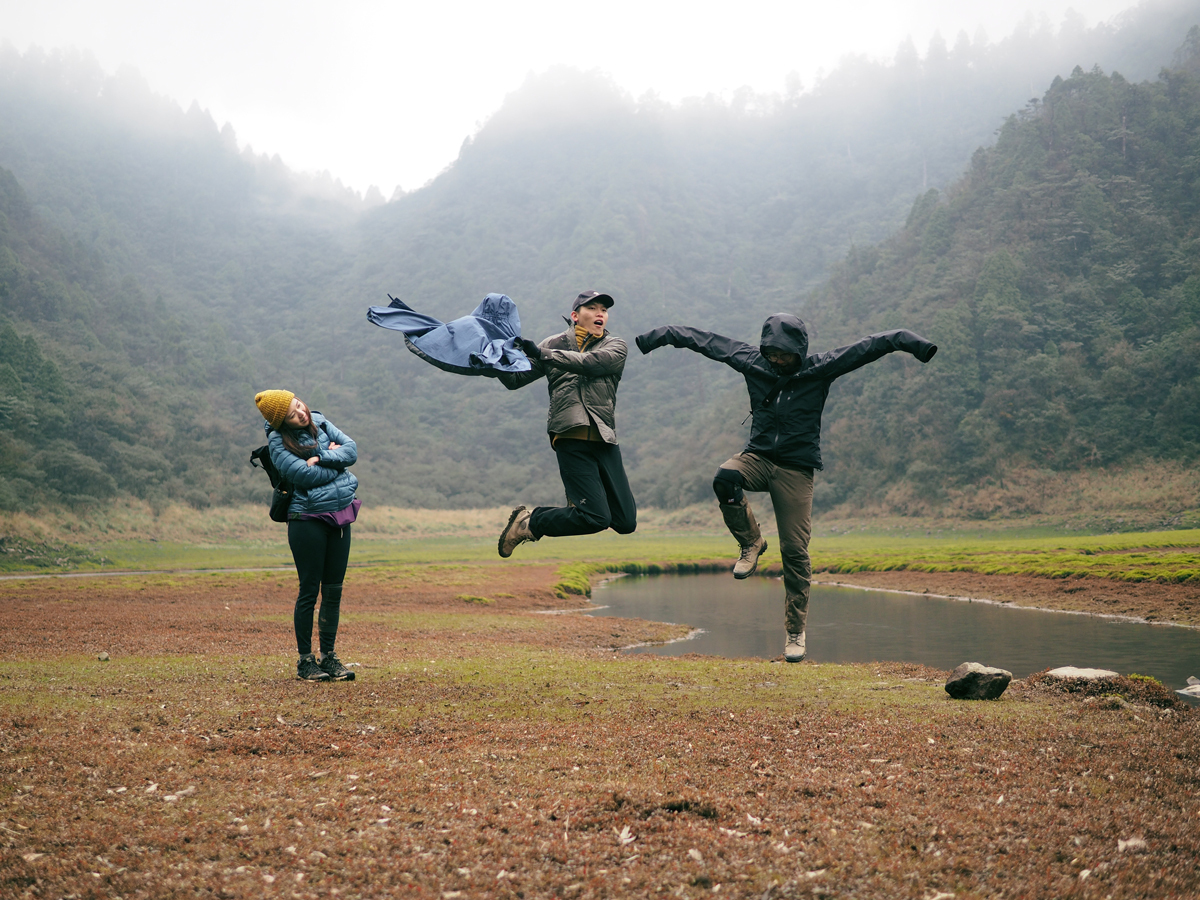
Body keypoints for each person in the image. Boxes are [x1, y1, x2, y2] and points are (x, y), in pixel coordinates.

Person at [634, 316, 937, 662]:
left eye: (783, 355)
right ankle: (751, 542)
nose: (776, 361)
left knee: (794, 551)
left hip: (796, 470)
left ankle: (795, 631)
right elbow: (701, 339)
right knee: (725, 477)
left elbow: (873, 345)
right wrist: (656, 337)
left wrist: (914, 343)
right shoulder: (752, 361)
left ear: (799, 351)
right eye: (771, 354)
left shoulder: (820, 368)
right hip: (758, 458)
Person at [496, 291, 637, 557]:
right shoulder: (553, 343)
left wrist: (542, 353)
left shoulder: (616, 346)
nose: (600, 313)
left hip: (605, 439)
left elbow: (591, 364)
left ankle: (542, 516)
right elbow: (515, 380)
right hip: (569, 436)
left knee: (626, 522)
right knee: (596, 518)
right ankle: (531, 523)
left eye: (604, 310)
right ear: (575, 315)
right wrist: (494, 360)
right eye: (592, 308)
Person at [255, 390, 361, 682]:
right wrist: (338, 466)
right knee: (309, 591)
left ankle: (329, 657)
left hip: (340, 515)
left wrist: (321, 457)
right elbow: (304, 476)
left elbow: (351, 451)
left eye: (298, 405)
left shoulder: (320, 421)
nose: (301, 413)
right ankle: (305, 661)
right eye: (292, 414)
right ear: (283, 422)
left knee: (333, 590)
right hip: (307, 519)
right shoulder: (278, 442)